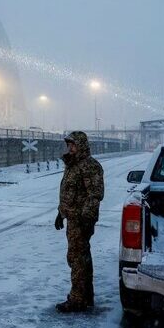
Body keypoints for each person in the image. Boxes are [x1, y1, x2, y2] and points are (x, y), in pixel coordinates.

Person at [54, 131, 104, 313]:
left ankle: (77, 299)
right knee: (82, 257)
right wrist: (61, 213)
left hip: (81, 220)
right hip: (73, 218)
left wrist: (87, 219)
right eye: (69, 145)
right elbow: (68, 193)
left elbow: (94, 195)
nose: (70, 148)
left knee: (76, 258)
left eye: (73, 144)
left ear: (81, 145)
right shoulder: (73, 165)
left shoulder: (89, 166)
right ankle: (86, 296)